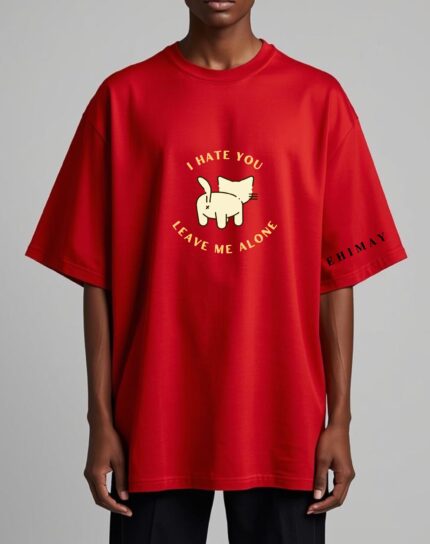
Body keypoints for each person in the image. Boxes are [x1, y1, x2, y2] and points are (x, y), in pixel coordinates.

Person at [24, 1, 408, 542]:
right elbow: (96, 277)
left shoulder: (318, 99)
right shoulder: (123, 99)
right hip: (152, 421)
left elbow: (336, 278)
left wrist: (339, 420)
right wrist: (100, 421)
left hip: (285, 424)